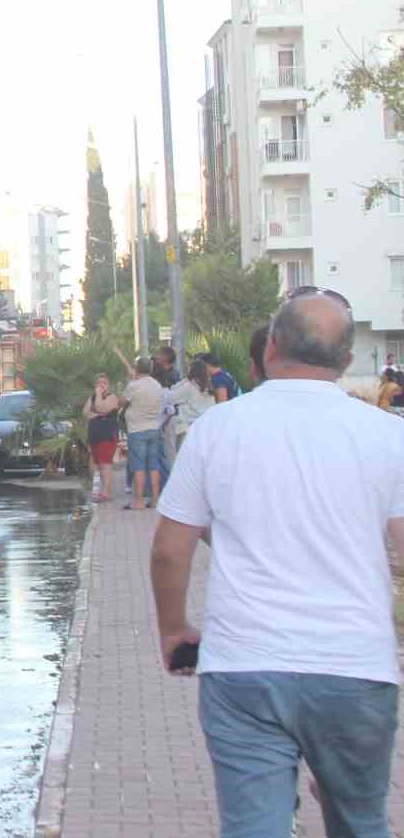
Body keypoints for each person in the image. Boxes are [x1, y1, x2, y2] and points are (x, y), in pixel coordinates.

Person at [151, 289, 404, 838]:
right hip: (356, 667)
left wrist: (174, 629)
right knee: (361, 822)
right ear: (345, 360)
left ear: (269, 352)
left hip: (244, 665)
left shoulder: (217, 430)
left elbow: (171, 548)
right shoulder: (389, 437)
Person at [114, 348, 165, 510]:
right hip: (154, 428)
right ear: (150, 369)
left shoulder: (133, 386)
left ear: (136, 369)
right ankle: (156, 500)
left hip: (137, 430)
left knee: (139, 467)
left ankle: (138, 501)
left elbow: (120, 402)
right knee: (154, 466)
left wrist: (130, 383)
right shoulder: (157, 385)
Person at [83, 372, 121, 503]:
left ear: (108, 385)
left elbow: (102, 408)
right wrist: (98, 412)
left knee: (105, 463)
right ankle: (99, 490)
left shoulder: (112, 397)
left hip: (107, 436)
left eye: (104, 383)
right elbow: (86, 413)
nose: (101, 385)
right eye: (99, 383)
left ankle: (105, 493)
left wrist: (98, 402)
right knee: (96, 463)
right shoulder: (92, 397)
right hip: (94, 436)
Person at [167, 359, 214, 452]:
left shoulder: (189, 386)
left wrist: (183, 381)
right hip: (205, 428)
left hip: (187, 429)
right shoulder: (209, 389)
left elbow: (171, 397)